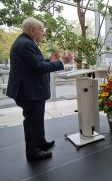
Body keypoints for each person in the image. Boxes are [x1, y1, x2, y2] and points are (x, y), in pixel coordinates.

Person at [6, 17, 73, 161]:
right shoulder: (26, 44)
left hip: (31, 91)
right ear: (32, 31)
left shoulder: (25, 42)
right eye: (41, 30)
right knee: (32, 121)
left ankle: (40, 142)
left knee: (37, 118)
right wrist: (62, 62)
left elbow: (37, 63)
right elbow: (39, 67)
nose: (43, 33)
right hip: (29, 92)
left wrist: (50, 61)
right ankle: (33, 151)